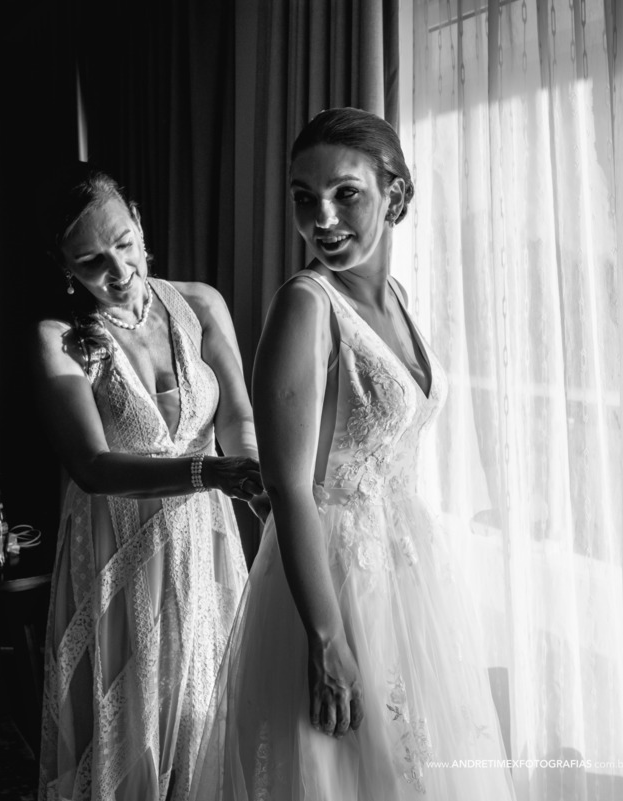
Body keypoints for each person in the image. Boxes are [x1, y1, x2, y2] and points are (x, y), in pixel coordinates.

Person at [190, 108, 515, 799]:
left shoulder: (396, 297)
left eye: (346, 194)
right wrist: (327, 639)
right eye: (304, 198)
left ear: (395, 195)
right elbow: (288, 486)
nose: (323, 219)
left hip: (405, 570)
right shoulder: (306, 305)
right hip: (336, 579)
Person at [32, 164, 265, 801]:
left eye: (125, 242)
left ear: (137, 219)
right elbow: (92, 467)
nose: (119, 270)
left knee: (204, 713)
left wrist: (254, 482)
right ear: (63, 266)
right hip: (117, 549)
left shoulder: (200, 303)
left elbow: (237, 418)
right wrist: (209, 471)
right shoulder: (59, 339)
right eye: (91, 261)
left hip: (204, 543)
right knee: (130, 727)